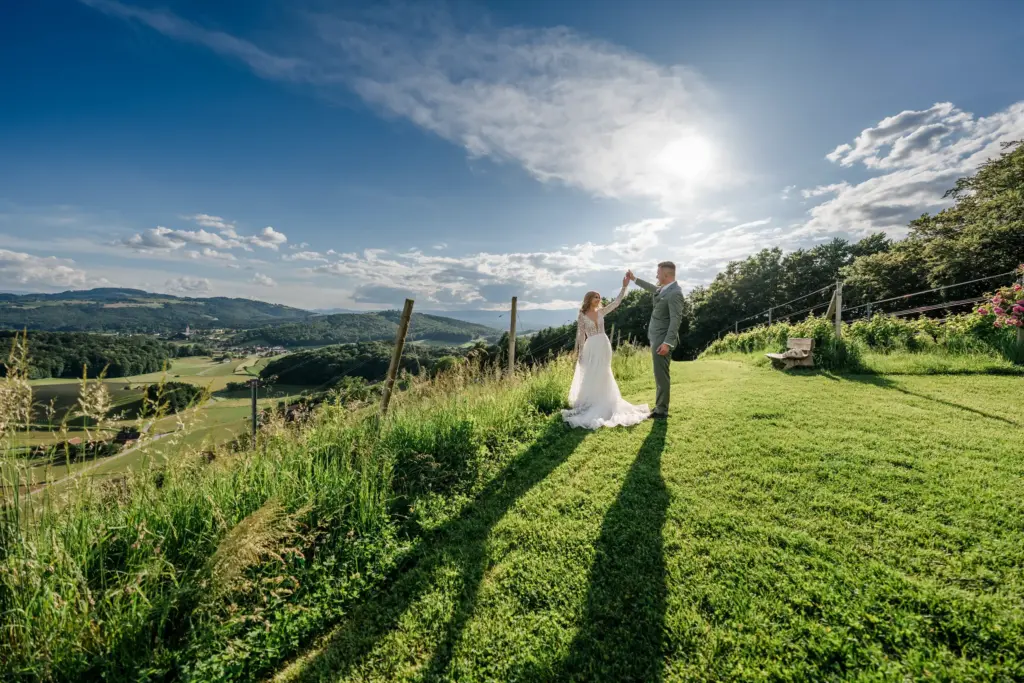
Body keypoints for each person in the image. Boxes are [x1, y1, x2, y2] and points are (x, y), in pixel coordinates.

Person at [561, 273, 650, 430]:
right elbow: (581, 335)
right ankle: (591, 401)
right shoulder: (582, 315)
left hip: (603, 344)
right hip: (591, 346)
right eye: (595, 297)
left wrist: (624, 287)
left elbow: (616, 302)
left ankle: (606, 401)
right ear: (589, 299)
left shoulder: (601, 312)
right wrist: (580, 353)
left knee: (604, 371)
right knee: (591, 373)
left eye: (599, 297)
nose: (598, 299)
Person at [626, 261, 684, 419]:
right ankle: (660, 406)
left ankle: (661, 410)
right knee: (658, 374)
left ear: (666, 274)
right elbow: (651, 288)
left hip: (663, 340)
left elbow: (676, 320)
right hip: (657, 338)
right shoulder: (665, 289)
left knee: (661, 375)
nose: (656, 275)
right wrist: (634, 279)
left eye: (658, 273)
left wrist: (667, 343)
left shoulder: (675, 293)